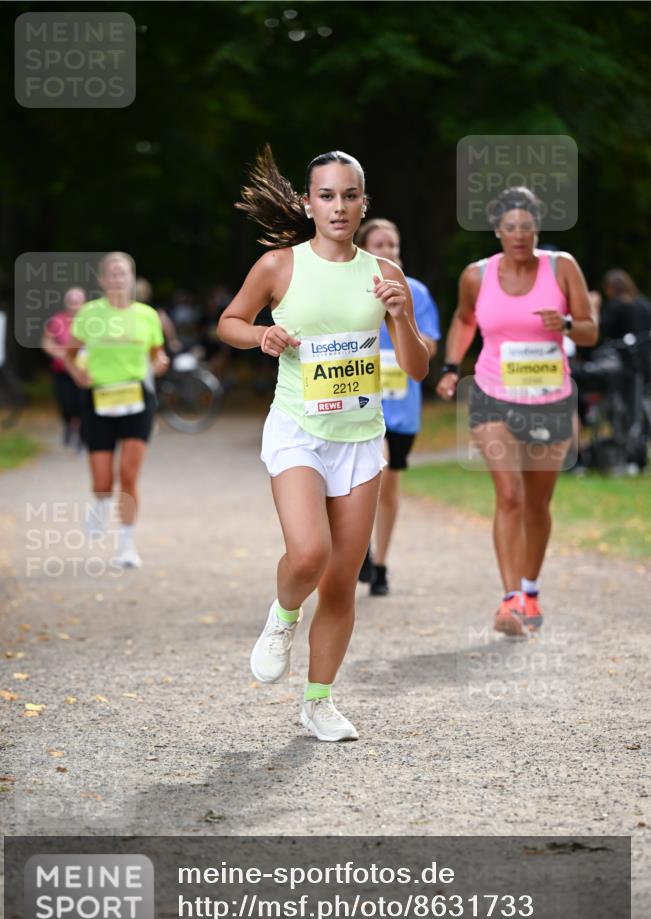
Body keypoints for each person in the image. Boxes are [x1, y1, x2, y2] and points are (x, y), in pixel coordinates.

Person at [217, 147, 429, 741]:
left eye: (350, 195)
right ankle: (282, 615)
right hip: (297, 430)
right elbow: (229, 322)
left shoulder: (386, 275)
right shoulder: (279, 266)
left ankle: (318, 702)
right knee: (309, 554)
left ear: (365, 203)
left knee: (340, 578)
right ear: (309, 203)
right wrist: (262, 334)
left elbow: (416, 367)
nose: (338, 207)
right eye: (327, 196)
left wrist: (402, 317)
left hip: (360, 439)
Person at [436, 187, 597, 636]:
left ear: (537, 229)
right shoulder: (476, 275)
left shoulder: (561, 267)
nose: (520, 235)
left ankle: (530, 588)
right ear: (497, 231)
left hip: (549, 398)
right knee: (508, 495)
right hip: (492, 394)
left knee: (537, 503)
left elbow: (589, 331)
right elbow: (465, 319)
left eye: (527, 226)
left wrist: (564, 324)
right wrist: (451, 367)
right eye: (511, 227)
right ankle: (510, 602)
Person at [64, 252, 169, 567]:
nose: (117, 278)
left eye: (123, 273)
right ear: (102, 280)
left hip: (136, 398)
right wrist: (77, 372)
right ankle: (99, 505)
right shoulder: (88, 314)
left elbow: (157, 355)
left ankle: (126, 545)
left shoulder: (147, 315)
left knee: (128, 476)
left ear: (131, 278)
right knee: (102, 481)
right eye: (111, 273)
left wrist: (161, 363)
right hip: (99, 399)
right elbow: (71, 355)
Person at [355, 218, 440, 595]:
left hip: (402, 409)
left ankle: (380, 562)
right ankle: (361, 550)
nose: (388, 251)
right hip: (358, 403)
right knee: (378, 474)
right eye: (380, 244)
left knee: (389, 487)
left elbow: (430, 349)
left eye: (393, 244)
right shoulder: (349, 288)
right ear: (362, 249)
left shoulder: (416, 292)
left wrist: (400, 319)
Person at [41, 287, 87, 448]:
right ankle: (69, 424)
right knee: (66, 405)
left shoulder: (90, 322)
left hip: (83, 372)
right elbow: (47, 342)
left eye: (78, 302)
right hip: (62, 371)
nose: (74, 306)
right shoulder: (57, 321)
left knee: (82, 404)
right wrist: (59, 353)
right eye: (72, 302)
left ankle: (82, 436)